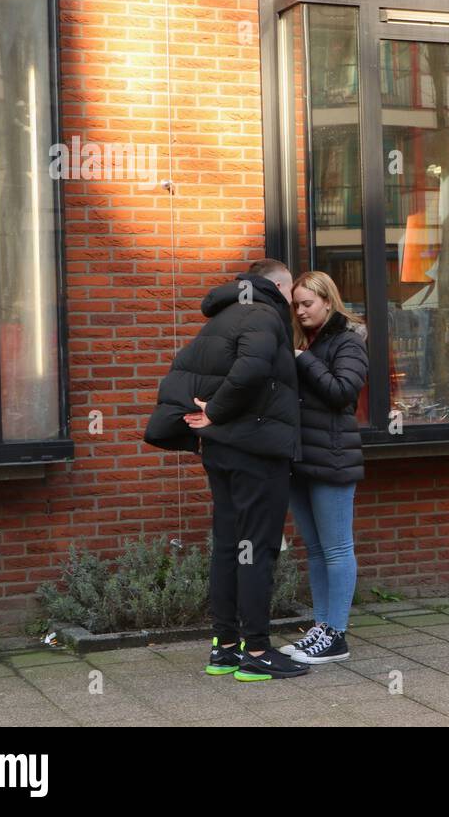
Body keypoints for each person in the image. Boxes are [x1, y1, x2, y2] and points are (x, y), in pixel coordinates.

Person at [144, 258, 308, 681]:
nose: (292, 301)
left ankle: (224, 648)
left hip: (220, 451)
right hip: (254, 451)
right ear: (277, 286)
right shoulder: (264, 314)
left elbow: (191, 370)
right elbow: (251, 369)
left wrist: (212, 417)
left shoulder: (223, 316)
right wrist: (216, 412)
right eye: (290, 291)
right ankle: (256, 651)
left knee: (229, 545)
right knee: (258, 548)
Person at [278, 270, 368, 664]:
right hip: (301, 459)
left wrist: (304, 361)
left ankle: (337, 634)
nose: (299, 312)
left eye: (307, 304)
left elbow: (342, 392)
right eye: (296, 305)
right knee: (315, 550)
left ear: (328, 302)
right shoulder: (305, 342)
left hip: (332, 458)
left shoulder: (348, 341)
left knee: (337, 549)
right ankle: (321, 626)